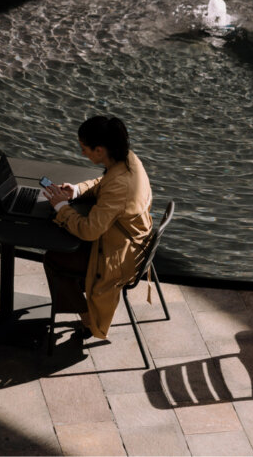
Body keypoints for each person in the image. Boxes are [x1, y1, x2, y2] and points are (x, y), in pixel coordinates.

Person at [43, 116, 153, 340]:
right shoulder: (128, 160)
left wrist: (62, 208)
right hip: (134, 244)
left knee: (53, 259)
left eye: (85, 149)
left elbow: (90, 230)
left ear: (100, 150)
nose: (83, 153)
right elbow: (103, 184)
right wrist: (75, 191)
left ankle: (89, 320)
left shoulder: (120, 184)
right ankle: (81, 295)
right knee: (65, 252)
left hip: (119, 257)